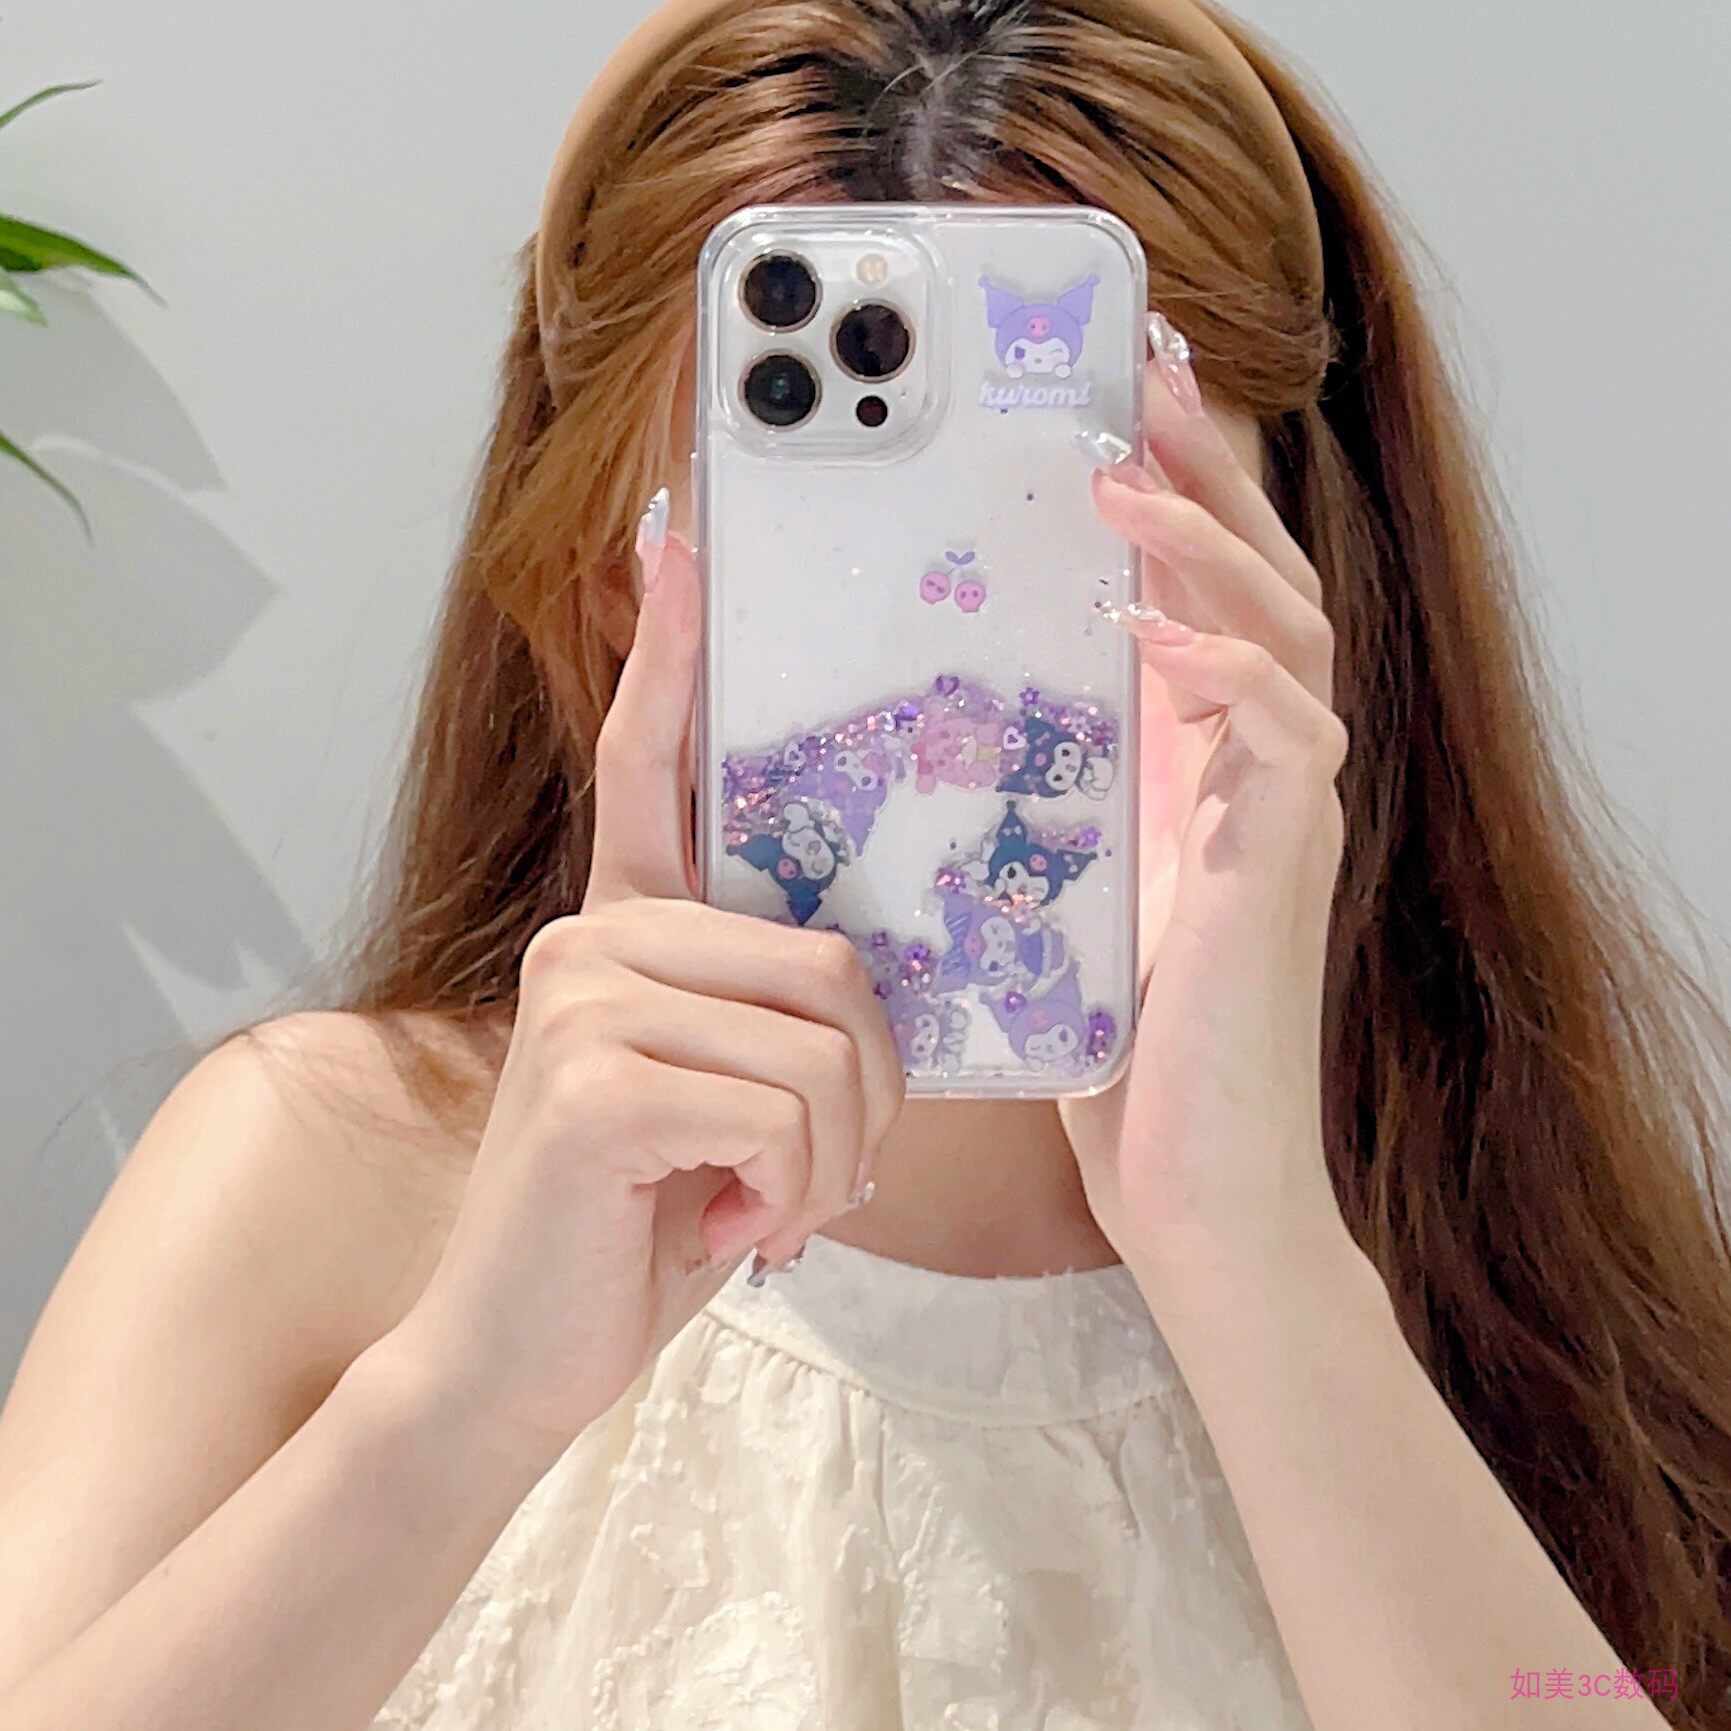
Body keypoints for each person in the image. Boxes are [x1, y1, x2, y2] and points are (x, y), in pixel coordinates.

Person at [2, 1, 1728, 1726]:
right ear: (611, 585)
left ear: (1303, 569)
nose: (951, 648)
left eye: (1051, 519)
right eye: (834, 533)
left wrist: (1259, 1260)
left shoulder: (1543, 1316)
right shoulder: (315, 1181)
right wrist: (465, 1396)